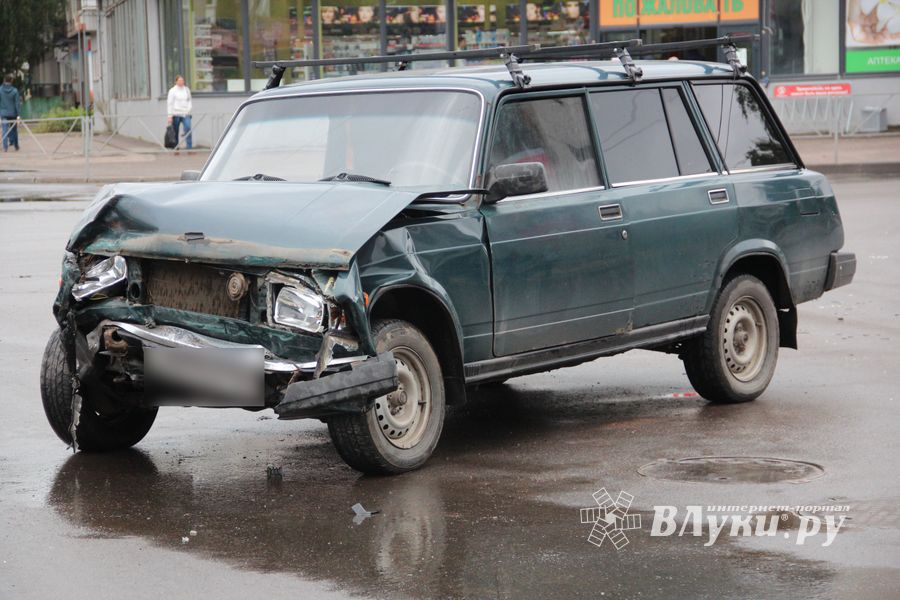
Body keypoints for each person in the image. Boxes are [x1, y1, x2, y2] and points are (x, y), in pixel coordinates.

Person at [166, 75, 193, 150]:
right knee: (176, 130)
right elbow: (170, 103)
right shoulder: (172, 91)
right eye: (180, 80)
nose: (181, 82)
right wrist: (170, 116)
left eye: (182, 80)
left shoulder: (187, 90)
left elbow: (189, 101)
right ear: (176, 81)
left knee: (188, 128)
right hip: (176, 113)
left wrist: (189, 110)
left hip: (186, 113)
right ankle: (176, 147)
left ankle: (189, 147)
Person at [0, 75, 22, 152]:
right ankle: (16, 146)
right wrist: (18, 115)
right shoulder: (15, 91)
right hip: (13, 113)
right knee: (14, 130)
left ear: (4, 80)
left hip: (3, 114)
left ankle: (5, 147)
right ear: (11, 81)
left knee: (4, 130)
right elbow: (17, 104)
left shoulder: (0, 90)